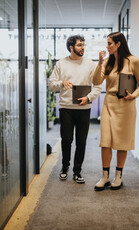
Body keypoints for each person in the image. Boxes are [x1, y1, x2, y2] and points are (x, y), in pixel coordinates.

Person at [92, 32, 139, 191]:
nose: (107, 46)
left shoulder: (133, 61)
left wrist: (133, 95)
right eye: (107, 43)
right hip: (109, 103)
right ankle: (105, 176)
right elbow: (96, 81)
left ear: (118, 44)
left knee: (122, 141)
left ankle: (118, 176)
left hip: (126, 105)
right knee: (105, 142)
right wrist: (100, 63)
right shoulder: (107, 61)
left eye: (109, 43)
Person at [48, 35, 102, 184]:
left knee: (81, 141)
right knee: (66, 140)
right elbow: (51, 85)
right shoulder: (61, 64)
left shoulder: (90, 64)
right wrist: (61, 82)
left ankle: (77, 171)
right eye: (79, 45)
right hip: (66, 108)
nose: (82, 47)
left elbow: (97, 86)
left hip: (84, 108)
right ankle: (64, 168)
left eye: (83, 45)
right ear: (71, 47)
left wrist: (89, 98)